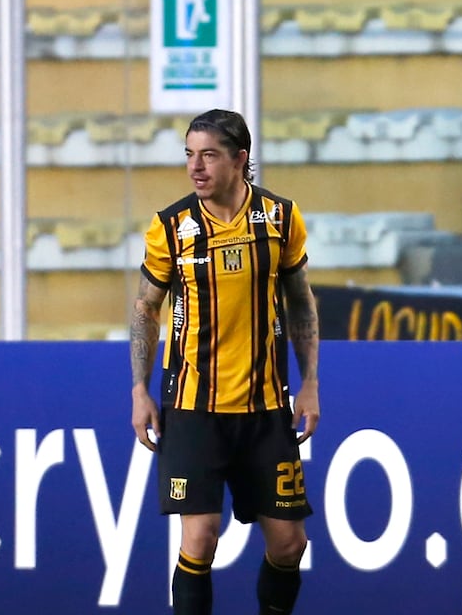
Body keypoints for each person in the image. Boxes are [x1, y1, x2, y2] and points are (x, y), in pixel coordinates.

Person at [129, 109, 320, 615]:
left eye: (209, 154)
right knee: (201, 537)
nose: (196, 166)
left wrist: (311, 383)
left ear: (240, 159)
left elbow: (300, 300)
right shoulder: (170, 227)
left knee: (289, 544)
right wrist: (139, 389)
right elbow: (146, 307)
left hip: (264, 410)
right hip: (194, 408)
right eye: (190, 154)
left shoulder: (280, 218)